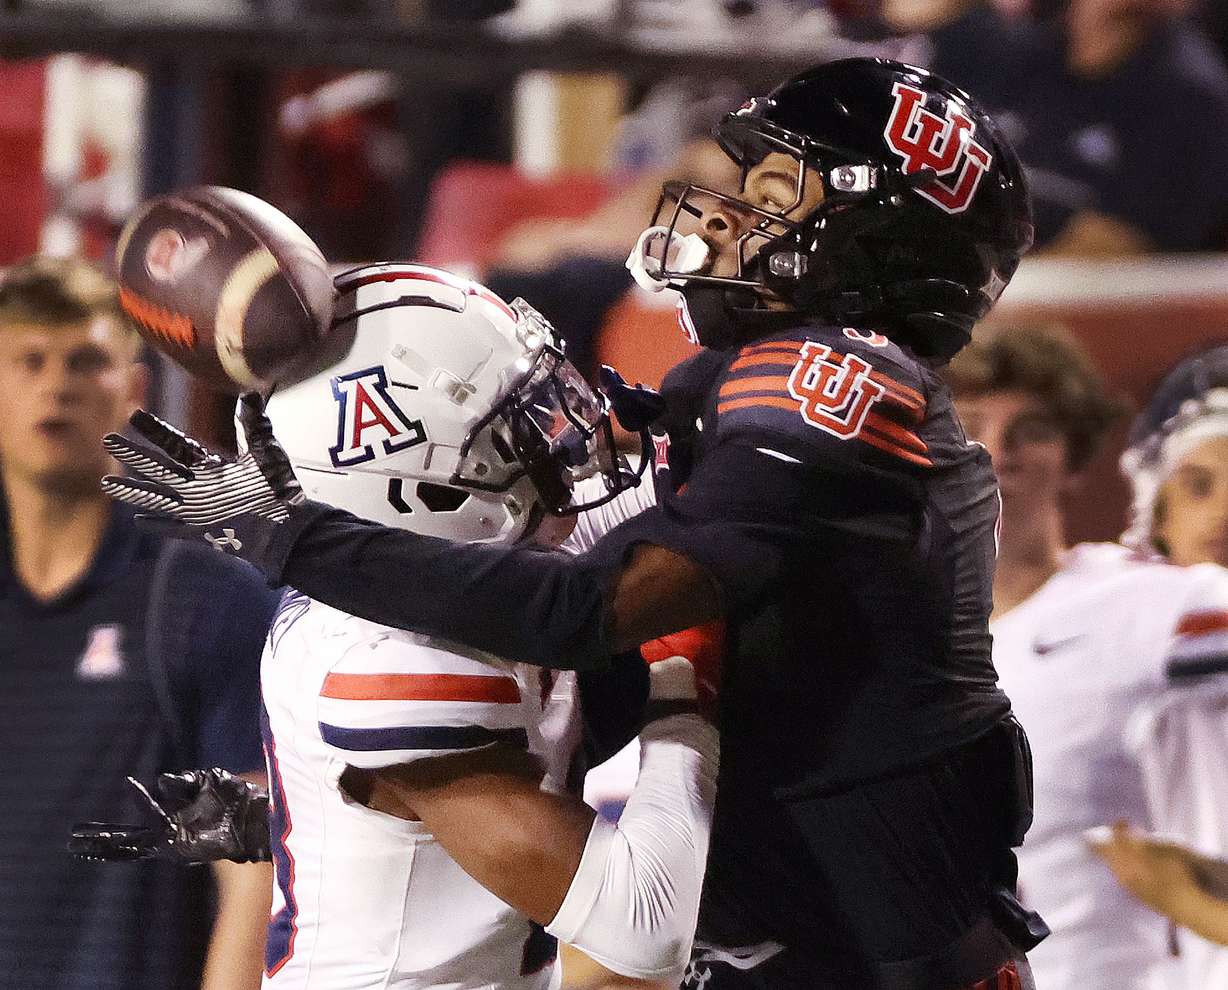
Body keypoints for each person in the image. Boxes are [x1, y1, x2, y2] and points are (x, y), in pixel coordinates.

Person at [104, 59, 1043, 989]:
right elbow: (591, 704)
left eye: (769, 193)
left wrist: (291, 537)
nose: (723, 214)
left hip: (884, 960)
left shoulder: (835, 380)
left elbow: (593, 614)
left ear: (868, 237)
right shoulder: (739, 380)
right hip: (801, 943)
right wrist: (325, 809)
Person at [102, 264, 720, 989]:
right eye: (516, 431)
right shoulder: (387, 653)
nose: (562, 435)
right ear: (422, 485)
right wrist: (685, 693)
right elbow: (642, 927)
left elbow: (669, 508)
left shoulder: (449, 584)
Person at [0, 256, 277, 990]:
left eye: (85, 360)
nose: (56, 384)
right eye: (28, 361)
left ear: (133, 391)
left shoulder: (204, 598)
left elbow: (255, 877)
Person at [944, 325, 1228, 990]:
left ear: (1075, 459)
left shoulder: (1148, 605)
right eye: (972, 424)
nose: (998, 452)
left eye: (1032, 429)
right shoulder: (885, 634)